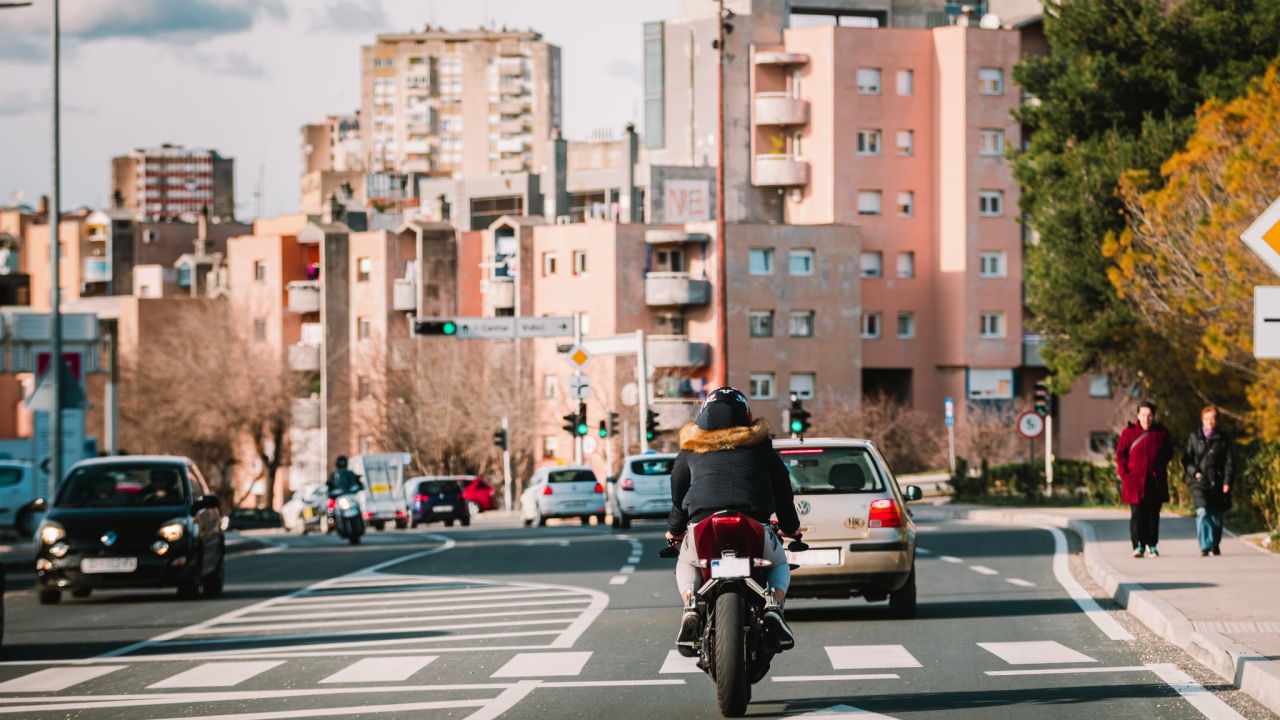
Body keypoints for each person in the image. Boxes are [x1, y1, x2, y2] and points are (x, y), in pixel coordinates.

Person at [666, 387, 801, 651]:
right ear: (746, 415)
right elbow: (783, 491)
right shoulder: (761, 447)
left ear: (703, 414)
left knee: (686, 561)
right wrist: (790, 527)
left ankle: (691, 604)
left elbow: (679, 495)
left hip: (703, 522)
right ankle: (773, 605)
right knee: (779, 563)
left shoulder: (691, 448)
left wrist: (674, 530)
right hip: (753, 521)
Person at [1116, 400, 1175, 558]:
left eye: (1149, 415)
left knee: (1153, 515)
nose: (1146, 419)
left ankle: (1152, 544)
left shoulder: (1161, 433)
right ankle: (1138, 545)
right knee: (1137, 515)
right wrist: (1125, 475)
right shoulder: (1128, 433)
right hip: (1134, 481)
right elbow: (1120, 455)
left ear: (1154, 416)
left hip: (1155, 481)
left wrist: (1157, 465)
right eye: (1143, 415)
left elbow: (1169, 453)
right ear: (1138, 416)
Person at [1183, 406, 1233, 557]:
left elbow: (1229, 462)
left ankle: (1214, 544)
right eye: (1206, 419)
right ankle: (1204, 546)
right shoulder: (1194, 436)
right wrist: (1195, 473)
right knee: (1203, 512)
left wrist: (1227, 482)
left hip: (1218, 483)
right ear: (1202, 420)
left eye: (1212, 419)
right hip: (1199, 482)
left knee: (1217, 517)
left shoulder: (1223, 438)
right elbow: (1186, 459)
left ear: (1216, 420)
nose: (1209, 422)